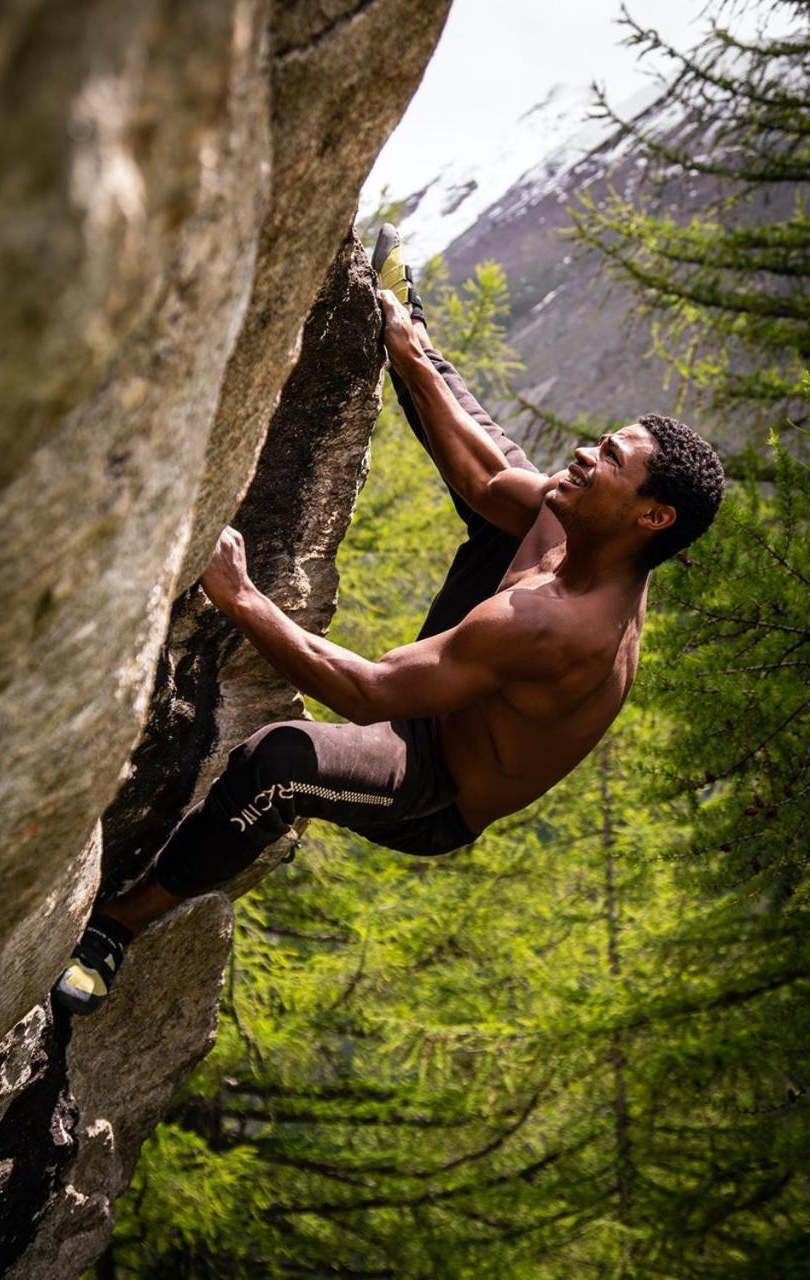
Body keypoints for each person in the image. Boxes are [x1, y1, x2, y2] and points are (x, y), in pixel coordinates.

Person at [54, 225, 725, 1014]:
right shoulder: (580, 523)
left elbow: (369, 694)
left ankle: (116, 930)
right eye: (602, 441)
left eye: (610, 460)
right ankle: (414, 332)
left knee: (281, 761)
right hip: (475, 656)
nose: (584, 454)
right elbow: (485, 479)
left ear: (652, 517)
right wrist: (405, 354)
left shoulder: (564, 626)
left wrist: (240, 596)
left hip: (432, 777)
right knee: (512, 481)